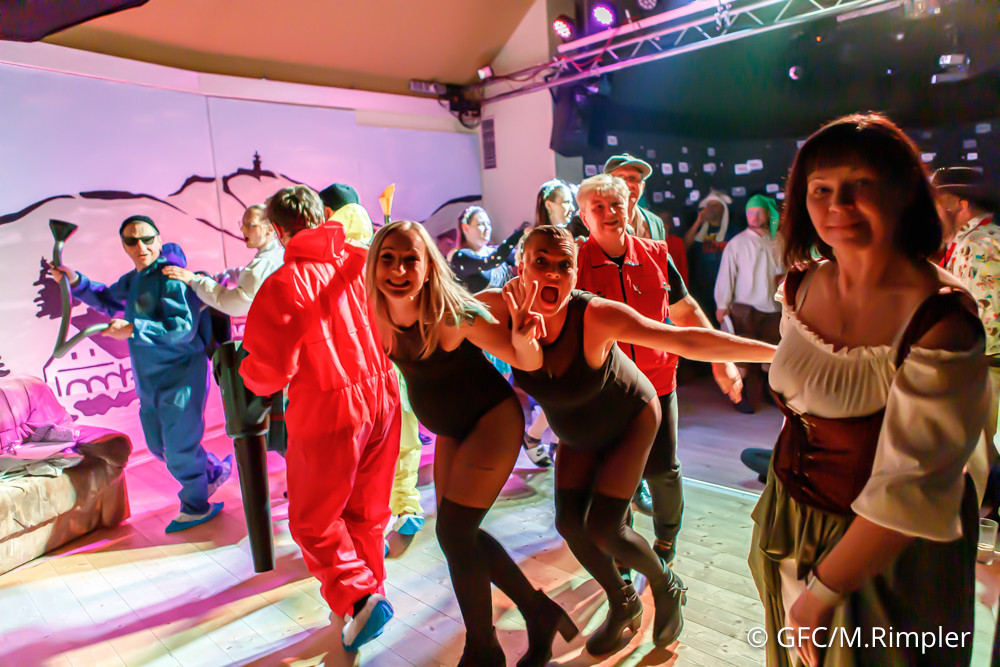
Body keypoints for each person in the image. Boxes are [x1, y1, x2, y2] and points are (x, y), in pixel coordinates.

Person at [748, 114, 987, 667]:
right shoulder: (801, 285)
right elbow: (802, 393)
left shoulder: (940, 320)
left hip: (887, 551)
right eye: (821, 189)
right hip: (789, 519)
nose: (839, 205)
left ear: (903, 193)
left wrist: (821, 594)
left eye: (861, 185)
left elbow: (911, 487)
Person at [500, 226, 775, 656]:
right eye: (541, 262)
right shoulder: (504, 309)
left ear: (576, 274)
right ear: (521, 266)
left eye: (564, 265)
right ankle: (624, 602)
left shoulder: (595, 315)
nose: (552, 273)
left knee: (605, 527)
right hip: (578, 428)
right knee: (570, 524)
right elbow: (450, 311)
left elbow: (683, 338)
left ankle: (668, 587)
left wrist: (777, 353)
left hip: (630, 418)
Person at [367, 220, 577, 666]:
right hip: (452, 430)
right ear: (374, 264)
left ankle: (484, 648)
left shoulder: (450, 315)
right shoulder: (376, 313)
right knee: (454, 538)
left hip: (490, 420)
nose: (398, 269)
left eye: (410, 259)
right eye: (388, 259)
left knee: (454, 531)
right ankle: (534, 615)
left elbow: (525, 359)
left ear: (428, 267)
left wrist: (523, 335)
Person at [239, 185, 401, 654]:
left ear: (277, 229)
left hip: (330, 406)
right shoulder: (360, 261)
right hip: (384, 395)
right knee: (367, 513)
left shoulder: (283, 283)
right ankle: (367, 599)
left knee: (313, 519)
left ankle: (359, 598)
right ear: (322, 215)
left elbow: (267, 374)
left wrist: (243, 369)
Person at [574, 174, 744, 572]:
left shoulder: (656, 255)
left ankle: (666, 540)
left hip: (657, 384)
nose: (609, 213)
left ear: (629, 208)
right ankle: (622, 547)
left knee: (663, 471)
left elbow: (687, 313)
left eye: (616, 205)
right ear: (584, 217)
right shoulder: (575, 263)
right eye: (598, 207)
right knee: (613, 472)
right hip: (604, 389)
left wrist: (721, 360)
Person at [49, 215, 229, 533]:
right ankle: (211, 472)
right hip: (149, 379)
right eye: (132, 241)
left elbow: (182, 329)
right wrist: (75, 280)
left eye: (147, 239)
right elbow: (107, 298)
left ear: (159, 240)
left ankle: (196, 504)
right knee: (159, 446)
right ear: (124, 246)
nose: (141, 246)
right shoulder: (135, 280)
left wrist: (133, 328)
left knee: (178, 447)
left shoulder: (172, 277)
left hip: (181, 377)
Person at [932, 167, 999, 454]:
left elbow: (990, 325)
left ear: (961, 204)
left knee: (982, 459)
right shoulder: (966, 243)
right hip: (978, 370)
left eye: (937, 203)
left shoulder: (979, 246)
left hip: (985, 372)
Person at [714, 194, 784, 413]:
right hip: (745, 307)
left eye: (758, 212)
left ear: (768, 213)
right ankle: (739, 395)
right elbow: (727, 274)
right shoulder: (737, 243)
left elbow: (785, 268)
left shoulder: (778, 240)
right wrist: (722, 303)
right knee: (742, 355)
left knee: (771, 353)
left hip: (773, 307)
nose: (754, 216)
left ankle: (769, 391)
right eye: (750, 212)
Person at [162, 204, 284, 318]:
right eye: (242, 224)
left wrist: (194, 280)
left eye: (250, 225)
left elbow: (233, 304)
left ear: (269, 229)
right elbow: (243, 273)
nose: (243, 229)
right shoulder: (277, 256)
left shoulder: (265, 263)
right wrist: (218, 277)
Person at [684, 189, 740, 325]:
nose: (710, 209)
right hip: (701, 289)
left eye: (715, 205)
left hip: (726, 290)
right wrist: (699, 221)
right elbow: (684, 246)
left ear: (723, 209)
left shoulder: (733, 231)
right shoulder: (699, 230)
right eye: (708, 205)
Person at [448, 205, 525, 293]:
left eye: (488, 224)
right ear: (465, 228)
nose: (487, 228)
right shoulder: (459, 257)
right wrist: (520, 233)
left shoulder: (494, 251)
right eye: (481, 224)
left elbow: (521, 258)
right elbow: (490, 262)